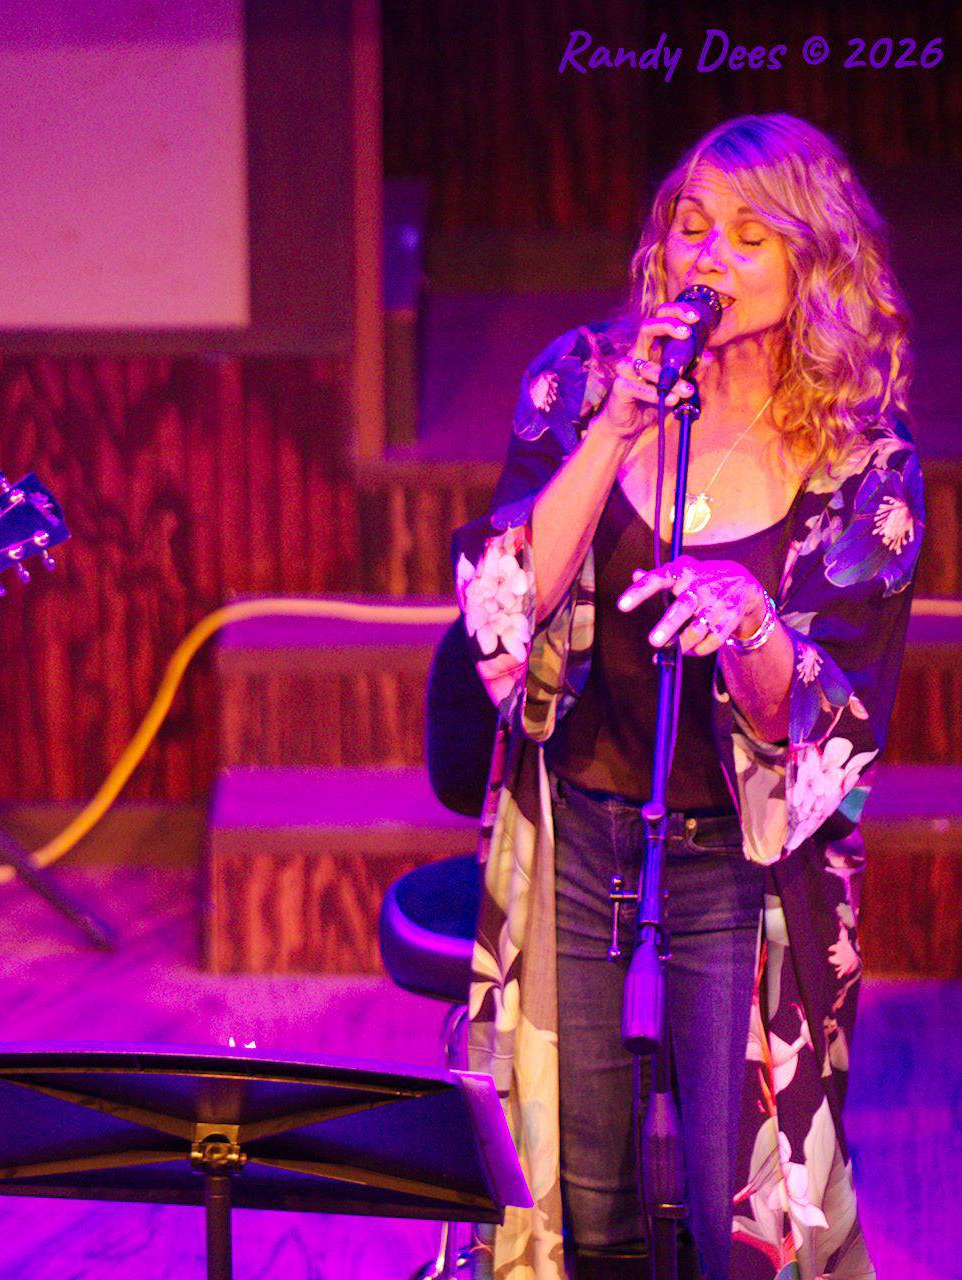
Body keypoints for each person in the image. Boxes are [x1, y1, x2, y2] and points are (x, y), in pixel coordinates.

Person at [454, 114, 921, 1279]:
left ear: (814, 267)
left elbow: (823, 724)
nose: (705, 256)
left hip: (745, 872)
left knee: (743, 1200)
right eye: (690, 225)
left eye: (751, 236)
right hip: (575, 830)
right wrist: (615, 429)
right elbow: (502, 606)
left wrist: (752, 620)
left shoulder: (865, 465)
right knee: (578, 1183)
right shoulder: (576, 380)